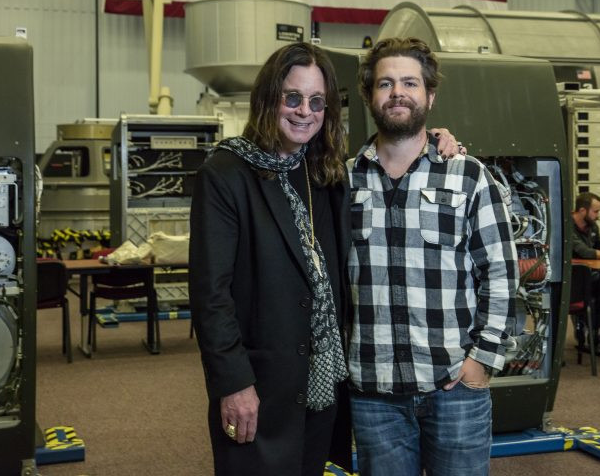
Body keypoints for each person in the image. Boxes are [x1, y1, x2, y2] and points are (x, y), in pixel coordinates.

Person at [189, 42, 460, 475]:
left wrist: (437, 138)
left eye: (317, 101)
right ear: (268, 98)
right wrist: (233, 383)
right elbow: (210, 295)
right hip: (259, 386)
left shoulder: (324, 173)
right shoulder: (226, 174)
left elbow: (399, 145)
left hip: (321, 387)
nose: (304, 111)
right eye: (292, 98)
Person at [346, 37, 517, 476]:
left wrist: (482, 360)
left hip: (454, 387)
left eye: (410, 82)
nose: (397, 93)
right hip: (374, 393)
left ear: (430, 95)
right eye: (385, 83)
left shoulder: (467, 175)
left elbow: (500, 272)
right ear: (369, 95)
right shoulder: (343, 182)